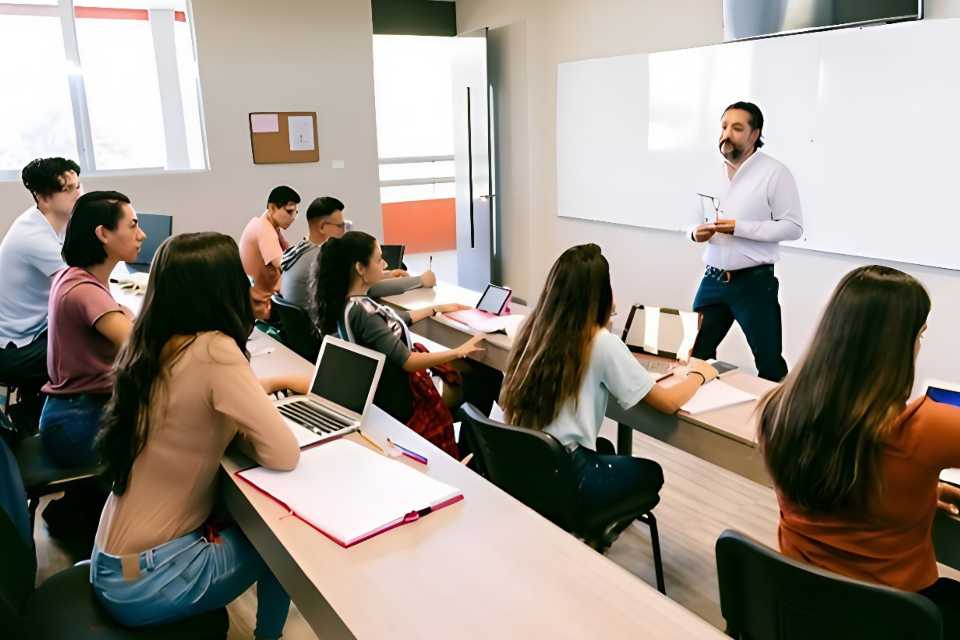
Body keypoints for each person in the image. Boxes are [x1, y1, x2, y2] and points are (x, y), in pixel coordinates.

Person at [92, 232, 304, 639]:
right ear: (222, 289)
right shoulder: (214, 350)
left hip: (113, 562)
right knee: (282, 547)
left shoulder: (151, 343)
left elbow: (192, 412)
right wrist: (247, 431)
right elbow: (283, 454)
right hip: (145, 581)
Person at [759, 265, 960, 635]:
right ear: (897, 346)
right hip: (896, 619)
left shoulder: (778, 408)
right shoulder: (927, 427)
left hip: (801, 606)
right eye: (919, 335)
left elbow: (844, 480)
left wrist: (918, 491)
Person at [499, 244, 718, 546]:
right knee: (650, 473)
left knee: (604, 446)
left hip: (526, 466)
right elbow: (667, 403)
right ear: (600, 294)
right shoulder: (601, 342)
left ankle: (592, 527)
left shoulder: (532, 330)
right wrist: (700, 374)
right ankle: (596, 531)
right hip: (568, 476)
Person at [311, 231, 483, 456]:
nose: (385, 264)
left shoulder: (348, 305)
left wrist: (436, 309)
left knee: (469, 371)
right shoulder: (364, 312)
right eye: (378, 259)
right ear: (360, 269)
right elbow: (409, 361)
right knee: (481, 378)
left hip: (383, 394)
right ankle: (467, 451)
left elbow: (388, 325)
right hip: (404, 400)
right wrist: (458, 351)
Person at [689, 101, 803, 382]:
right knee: (694, 357)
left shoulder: (775, 172)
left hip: (753, 284)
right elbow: (691, 219)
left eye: (737, 128)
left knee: (769, 363)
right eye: (724, 126)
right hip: (713, 279)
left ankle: (776, 423)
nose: (727, 134)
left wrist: (740, 228)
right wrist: (694, 232)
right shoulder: (708, 171)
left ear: (755, 134)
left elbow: (793, 227)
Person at [39, 191, 143, 467]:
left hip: (72, 413)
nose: (141, 235)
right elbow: (142, 348)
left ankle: (78, 507)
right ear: (103, 234)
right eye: (133, 225)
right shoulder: (85, 290)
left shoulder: (75, 276)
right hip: (79, 423)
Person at [0, 157, 82, 430]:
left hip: (32, 330)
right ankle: (45, 422)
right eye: (69, 189)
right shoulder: (33, 236)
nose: (78, 194)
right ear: (44, 198)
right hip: (12, 349)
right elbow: (79, 287)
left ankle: (34, 412)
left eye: (78, 186)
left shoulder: (50, 223)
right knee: (88, 347)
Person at [280, 196, 436, 308]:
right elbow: (366, 288)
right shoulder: (321, 260)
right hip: (322, 337)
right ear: (322, 227)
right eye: (340, 226)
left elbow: (355, 280)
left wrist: (386, 274)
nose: (344, 232)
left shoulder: (301, 250)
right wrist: (421, 280)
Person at [239, 185, 300, 319]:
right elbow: (284, 264)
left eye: (296, 212)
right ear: (272, 208)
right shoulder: (264, 229)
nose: (293, 217)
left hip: (261, 298)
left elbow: (289, 252)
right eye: (289, 212)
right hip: (263, 304)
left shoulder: (267, 224)